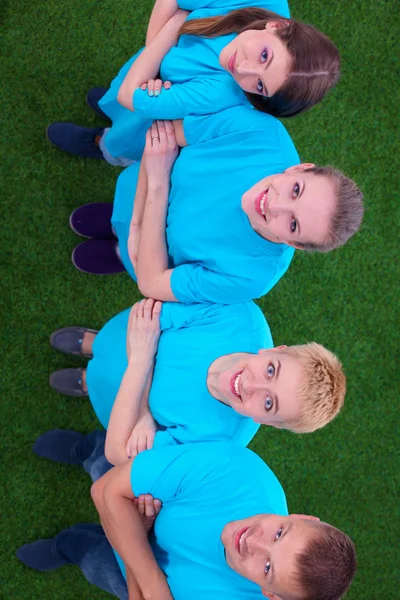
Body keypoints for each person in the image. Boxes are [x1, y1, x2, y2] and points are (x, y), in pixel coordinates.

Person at [70, 118, 364, 307]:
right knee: (111, 215)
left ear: (294, 244)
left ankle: (119, 255)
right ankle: (116, 225)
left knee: (120, 251)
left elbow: (152, 283)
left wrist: (159, 184)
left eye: (293, 223)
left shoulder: (255, 276)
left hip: (140, 253)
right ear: (301, 168)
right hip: (135, 190)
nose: (274, 204)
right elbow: (166, 132)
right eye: (296, 190)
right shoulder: (264, 134)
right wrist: (134, 224)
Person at [17, 438, 357, 600]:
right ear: (300, 516)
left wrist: (135, 539)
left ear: (272, 597)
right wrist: (153, 586)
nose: (252, 541)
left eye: (267, 568)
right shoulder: (240, 472)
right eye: (280, 532)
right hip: (141, 491)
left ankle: (65, 547)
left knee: (91, 557)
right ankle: (80, 448)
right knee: (102, 461)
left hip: (125, 568)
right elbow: (105, 490)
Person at [47, 298, 346, 465]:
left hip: (113, 401)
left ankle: (87, 382)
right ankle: (92, 342)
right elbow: (152, 315)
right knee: (108, 345)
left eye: (268, 403)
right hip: (122, 335)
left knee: (102, 383)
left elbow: (128, 448)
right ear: (274, 350)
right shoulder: (240, 316)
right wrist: (145, 414)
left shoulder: (220, 442)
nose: (251, 386)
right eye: (271, 370)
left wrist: (140, 399)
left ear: (266, 423)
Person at [47, 1, 340, 164]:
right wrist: (153, 63)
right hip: (152, 80)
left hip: (154, 116)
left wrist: (173, 27)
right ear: (278, 25)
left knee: (126, 129)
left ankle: (102, 145)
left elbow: (131, 96)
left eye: (261, 86)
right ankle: (108, 110)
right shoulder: (267, 3)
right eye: (264, 56)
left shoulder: (220, 93)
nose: (245, 71)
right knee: (117, 97)